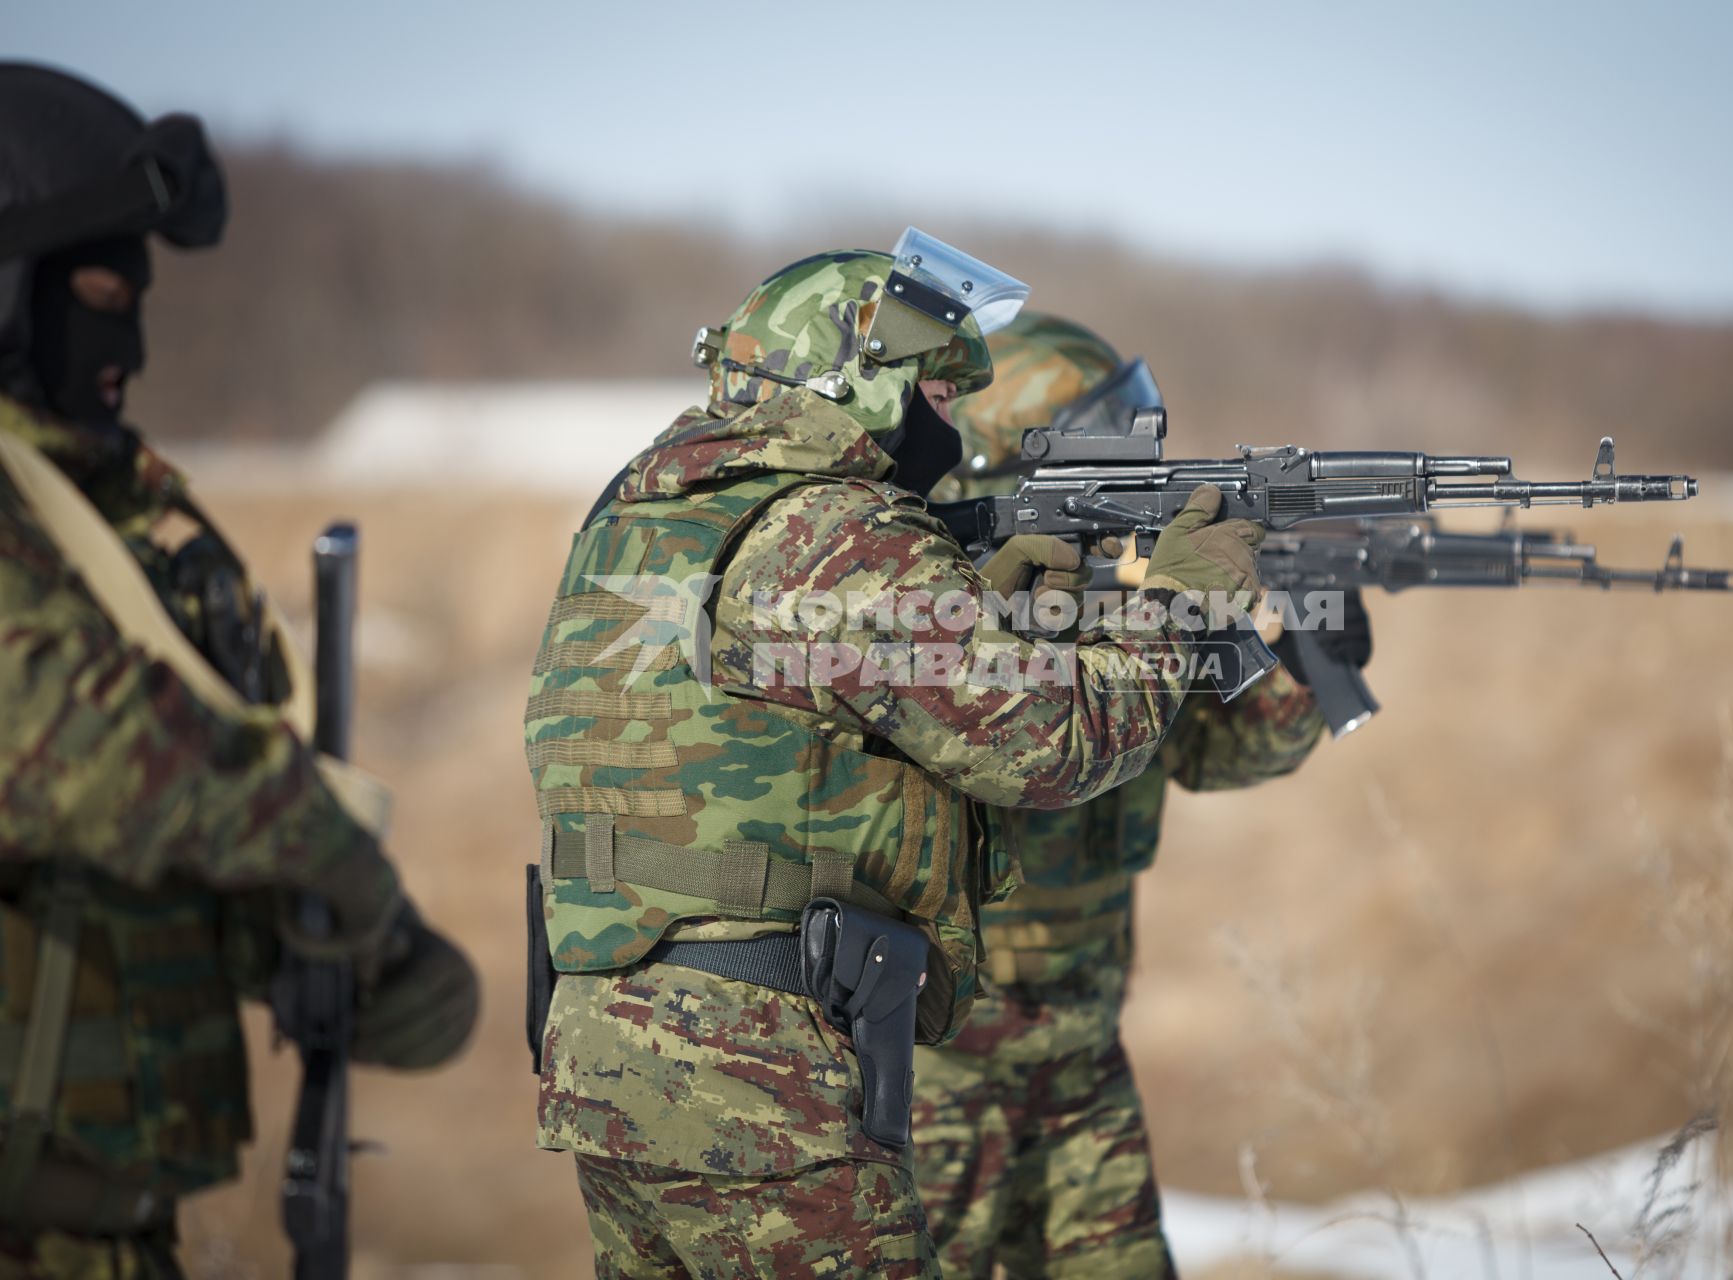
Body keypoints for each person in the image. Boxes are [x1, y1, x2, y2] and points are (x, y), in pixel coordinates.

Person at [526, 233, 1268, 1277]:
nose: (951, 423)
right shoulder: (835, 529)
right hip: (761, 1075)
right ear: (855, 380)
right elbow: (1051, 743)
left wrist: (985, 602)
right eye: (934, 390)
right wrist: (1181, 602)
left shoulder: (640, 513)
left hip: (604, 1057)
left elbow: (777, 708)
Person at [0, 64, 477, 1278]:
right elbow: (97, 752)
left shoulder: (108, 540)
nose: (132, 341)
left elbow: (146, 861)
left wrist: (331, 955)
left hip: (109, 1230)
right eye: (102, 294)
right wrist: (321, 842)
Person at [914, 313, 1350, 1278]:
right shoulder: (930, 617)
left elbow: (1220, 751)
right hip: (937, 1065)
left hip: (1080, 1053)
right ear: (1002, 465)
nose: (1128, 464)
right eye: (1092, 442)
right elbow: (1022, 747)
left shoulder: (1126, 600)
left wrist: (1315, 645)